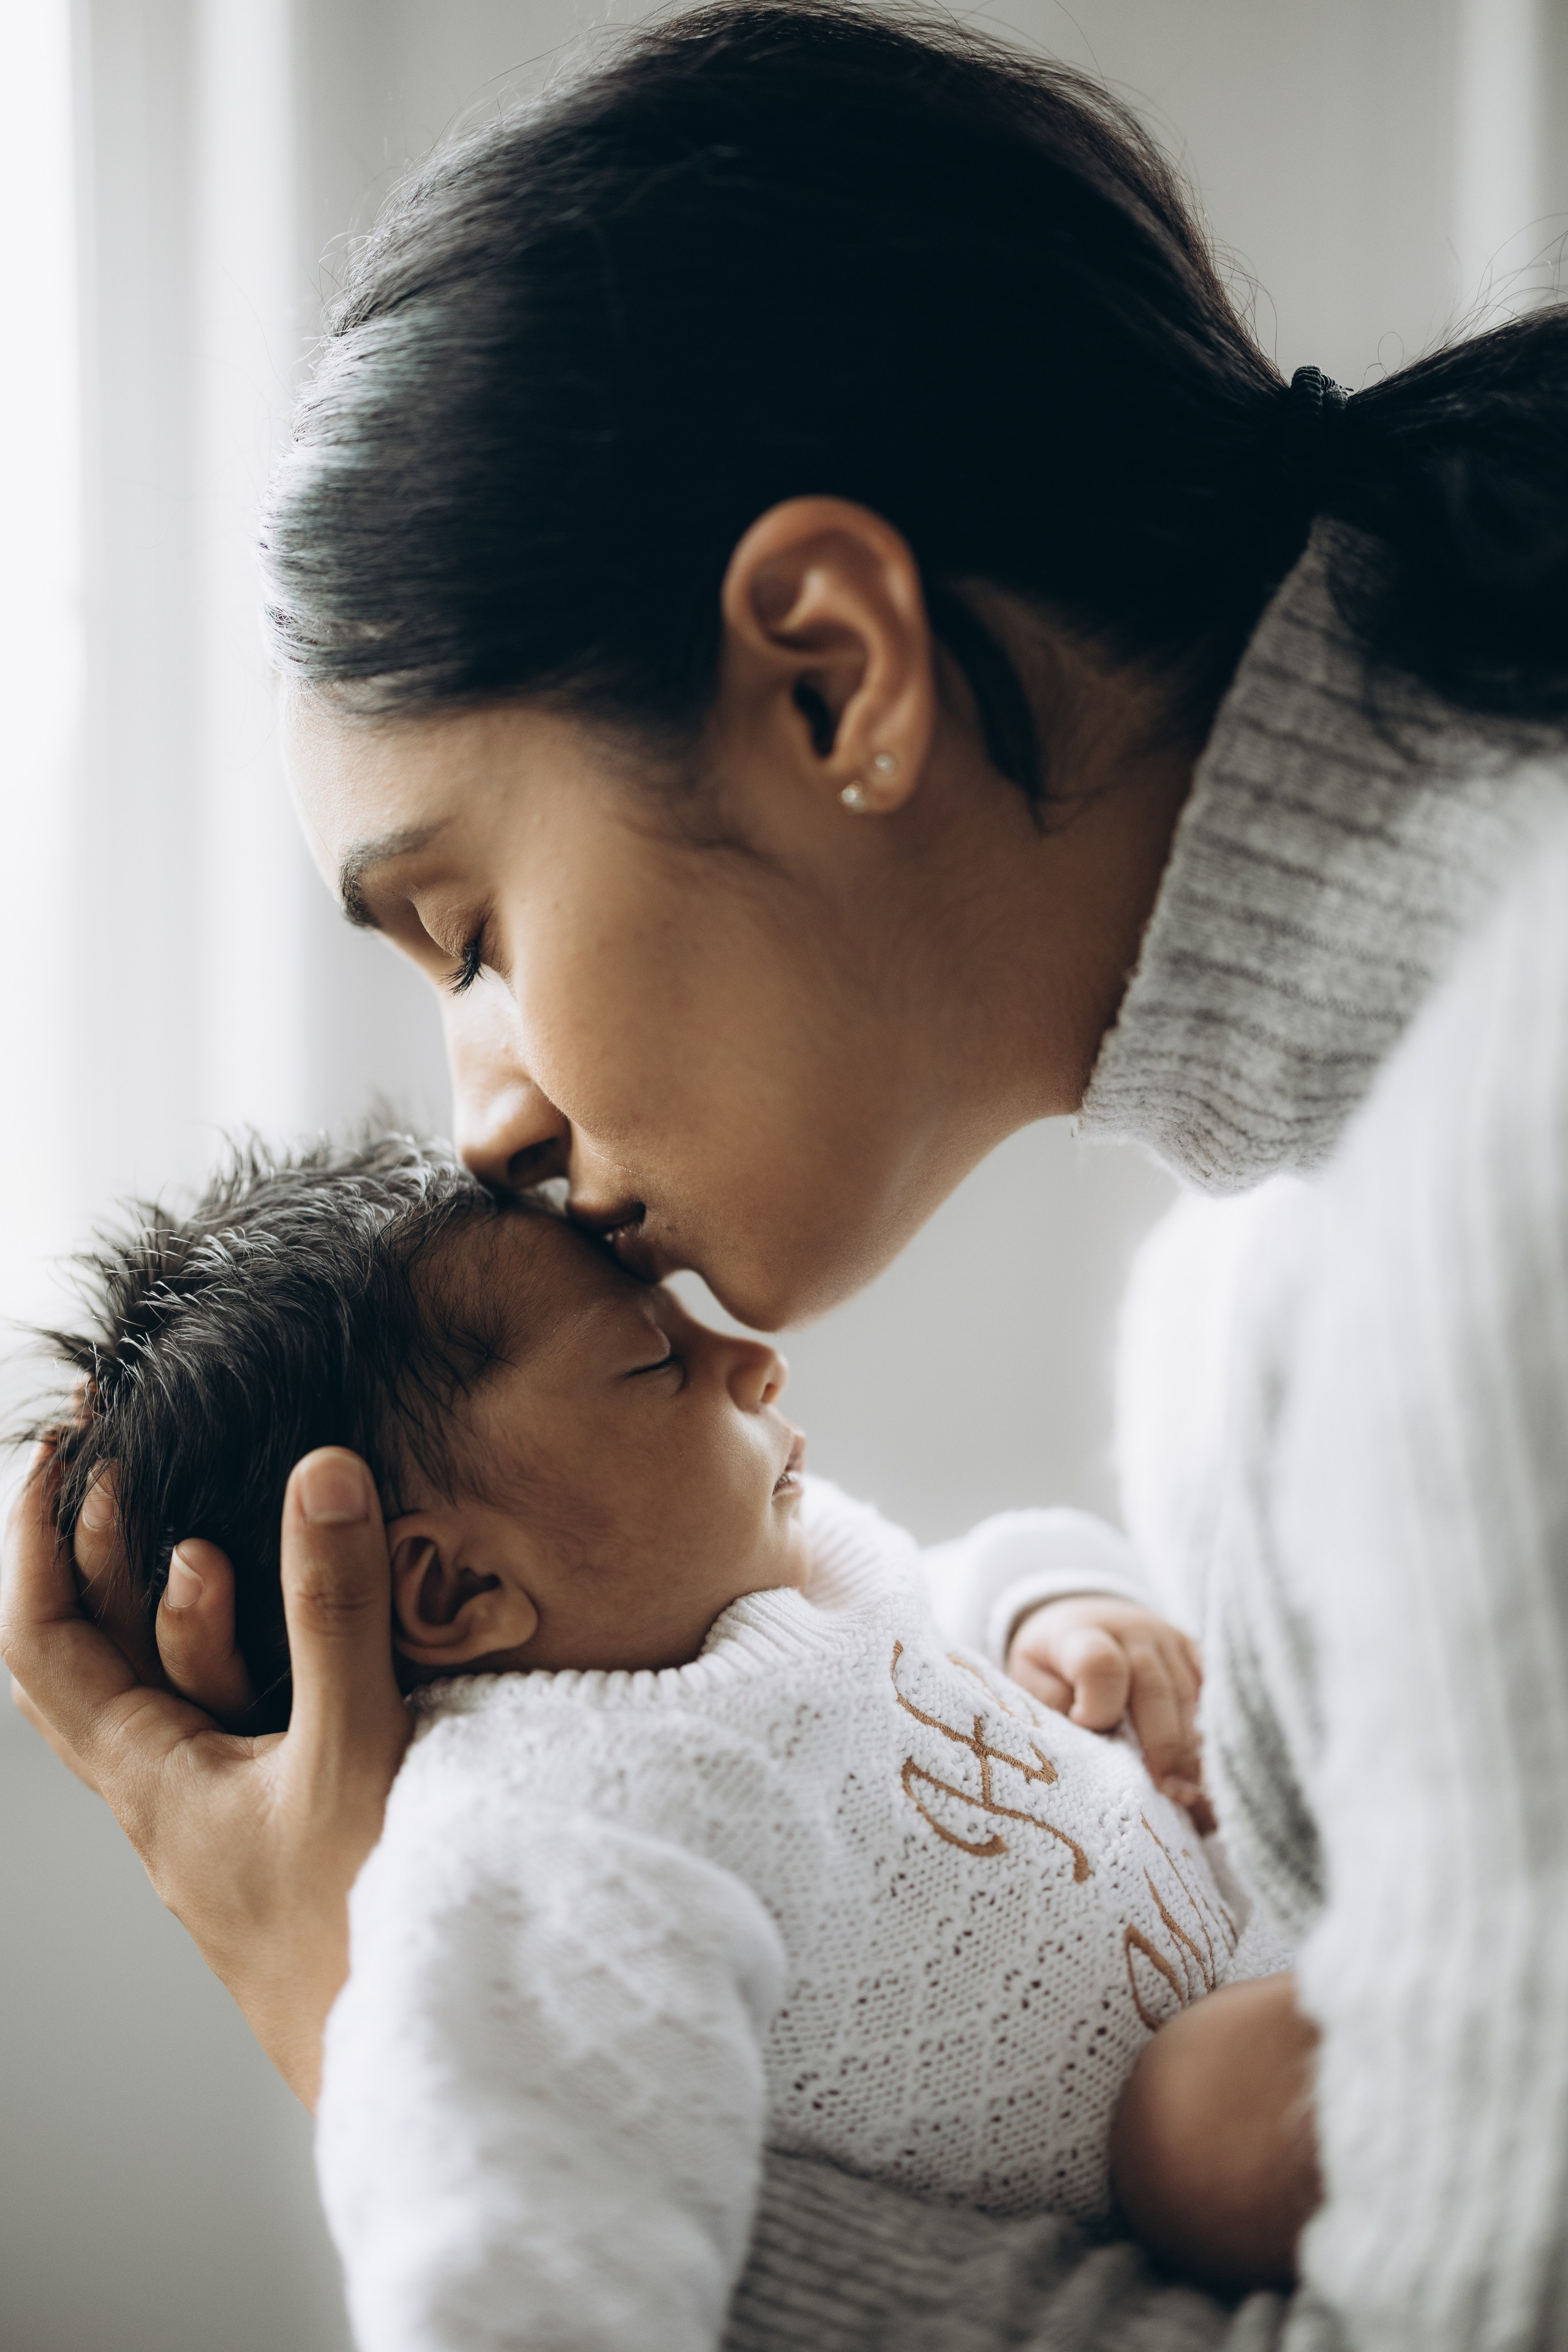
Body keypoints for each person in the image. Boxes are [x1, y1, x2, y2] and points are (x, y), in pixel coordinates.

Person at [6, 4, 1567, 2343]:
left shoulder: (1466, 1204)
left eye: (474, 929)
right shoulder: (1311, 1204)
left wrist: (369, 2037)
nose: (485, 1117)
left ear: (833, 673)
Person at [36, 1131, 1306, 2342]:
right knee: (1195, 2123)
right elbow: (509, 2230)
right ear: (451, 1591)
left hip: (1268, 1919)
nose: (751, 1358)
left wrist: (1062, 1604)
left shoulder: (778, 1572)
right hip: (1208, 2164)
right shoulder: (552, 1825)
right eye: (651, 1365)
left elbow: (952, 1584)